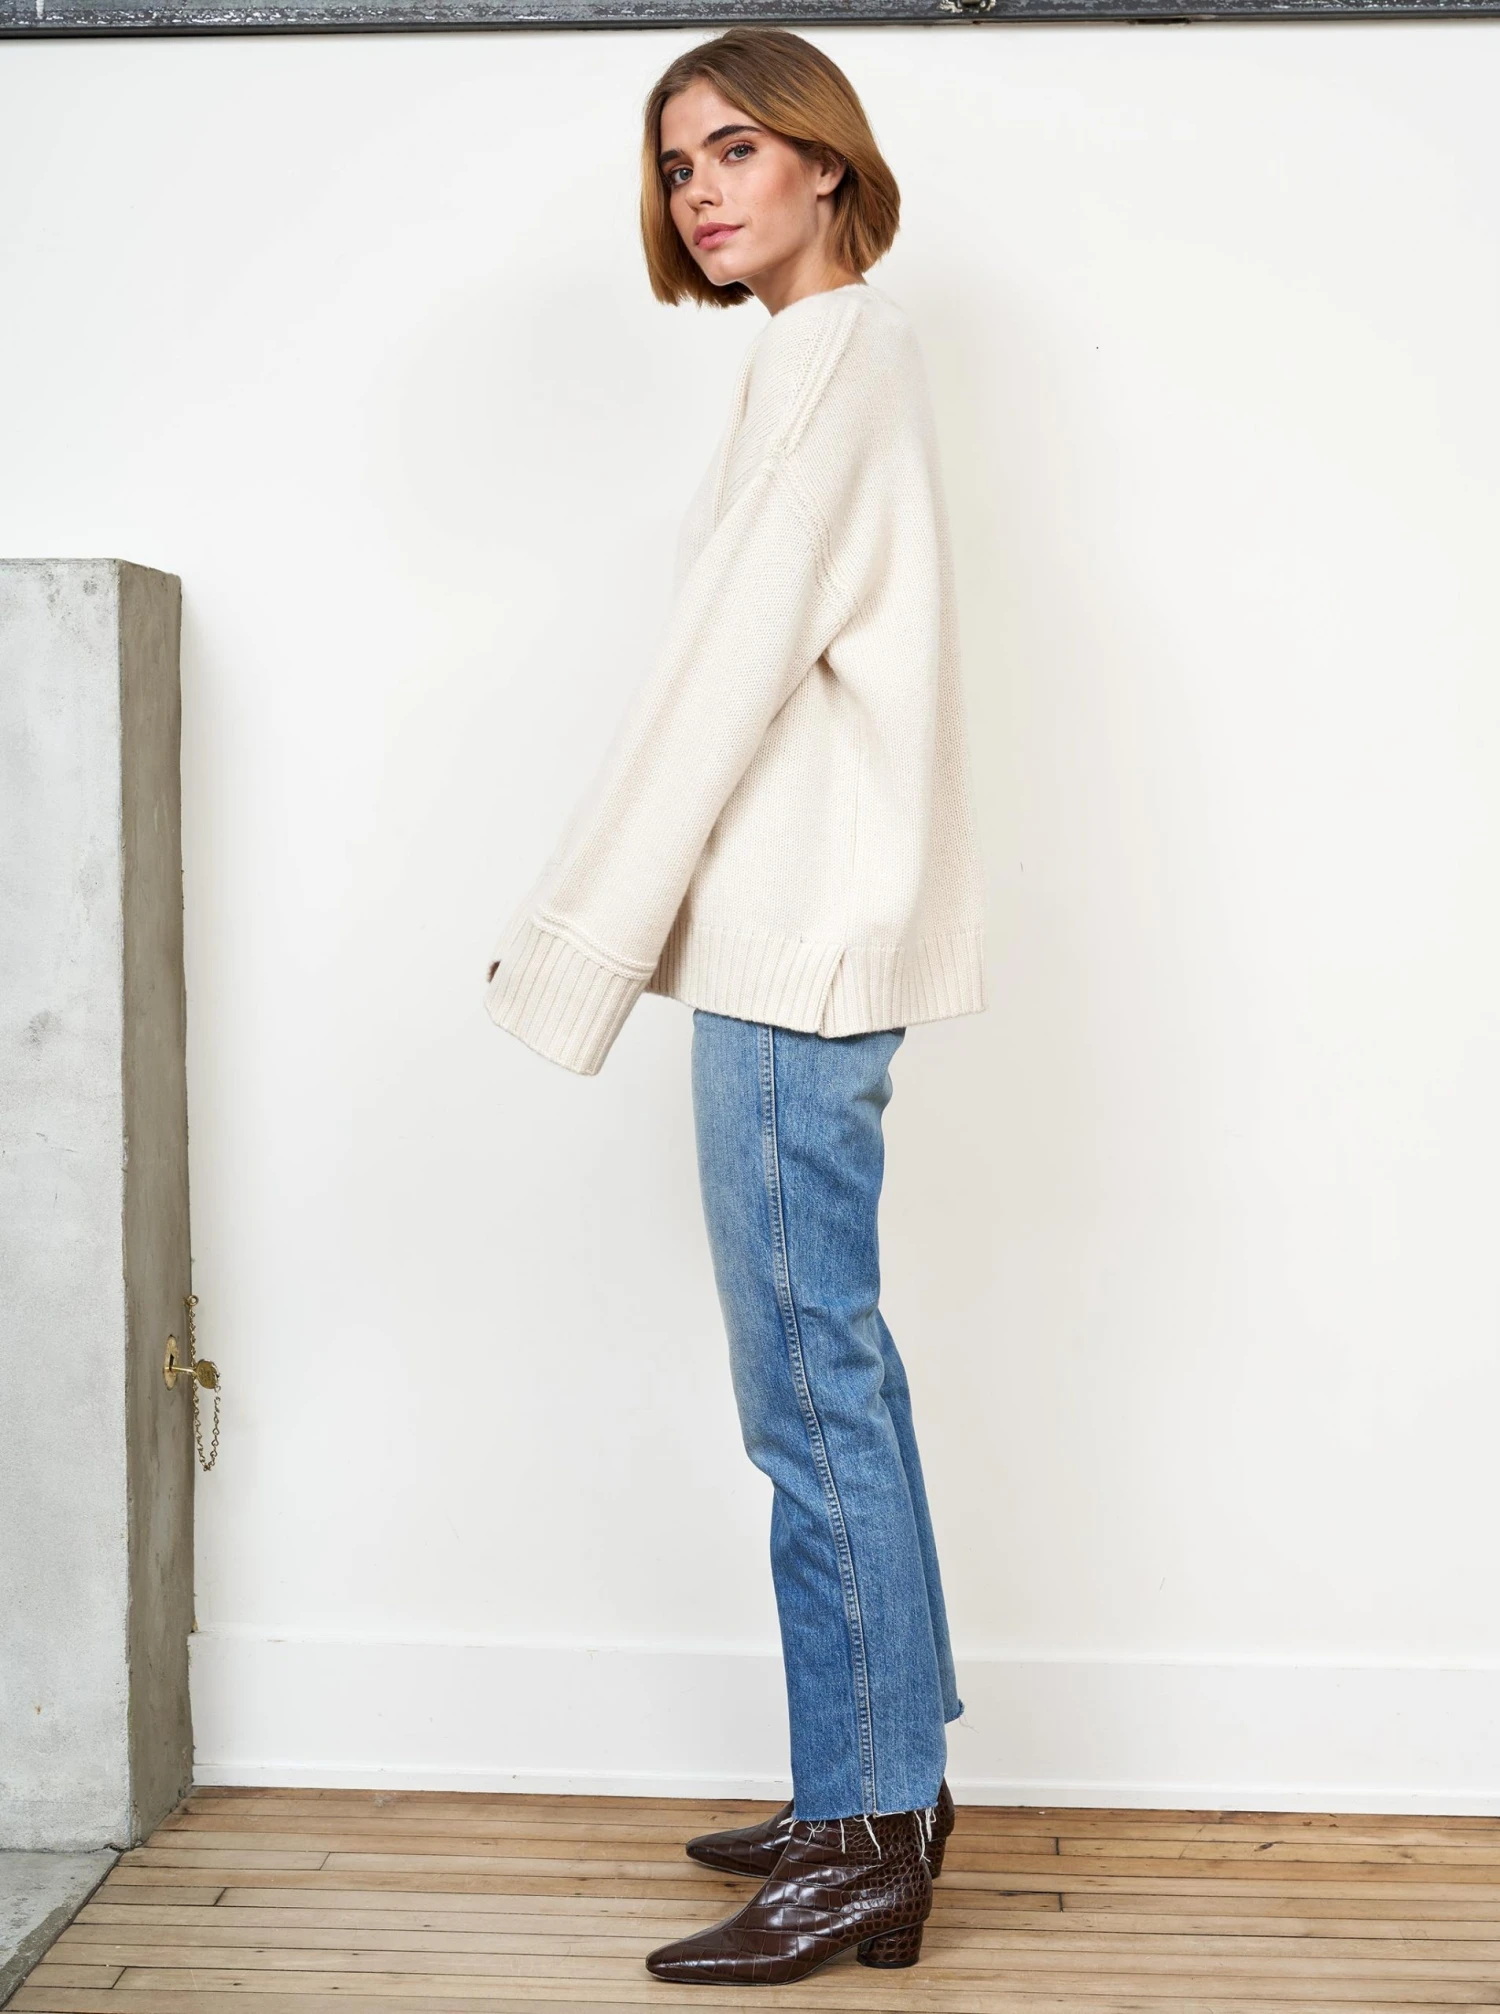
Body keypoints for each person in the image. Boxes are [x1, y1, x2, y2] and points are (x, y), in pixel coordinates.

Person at [482, 26, 986, 1986]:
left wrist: (575, 939)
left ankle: (863, 1834)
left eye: (738, 151)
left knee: (808, 1391)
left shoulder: (827, 354)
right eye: (678, 163)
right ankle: (879, 1781)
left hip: (793, 950)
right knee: (838, 1370)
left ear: (826, 165)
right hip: (817, 942)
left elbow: (718, 677)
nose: (700, 190)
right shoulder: (852, 353)